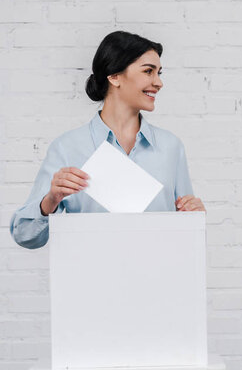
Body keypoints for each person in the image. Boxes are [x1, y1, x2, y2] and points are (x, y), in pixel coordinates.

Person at [11, 31, 205, 249]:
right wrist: (51, 200)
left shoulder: (171, 147)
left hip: (157, 277)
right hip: (93, 278)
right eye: (148, 71)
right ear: (114, 76)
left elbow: (188, 237)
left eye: (159, 73)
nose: (158, 82)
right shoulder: (67, 148)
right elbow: (25, 236)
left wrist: (194, 217)